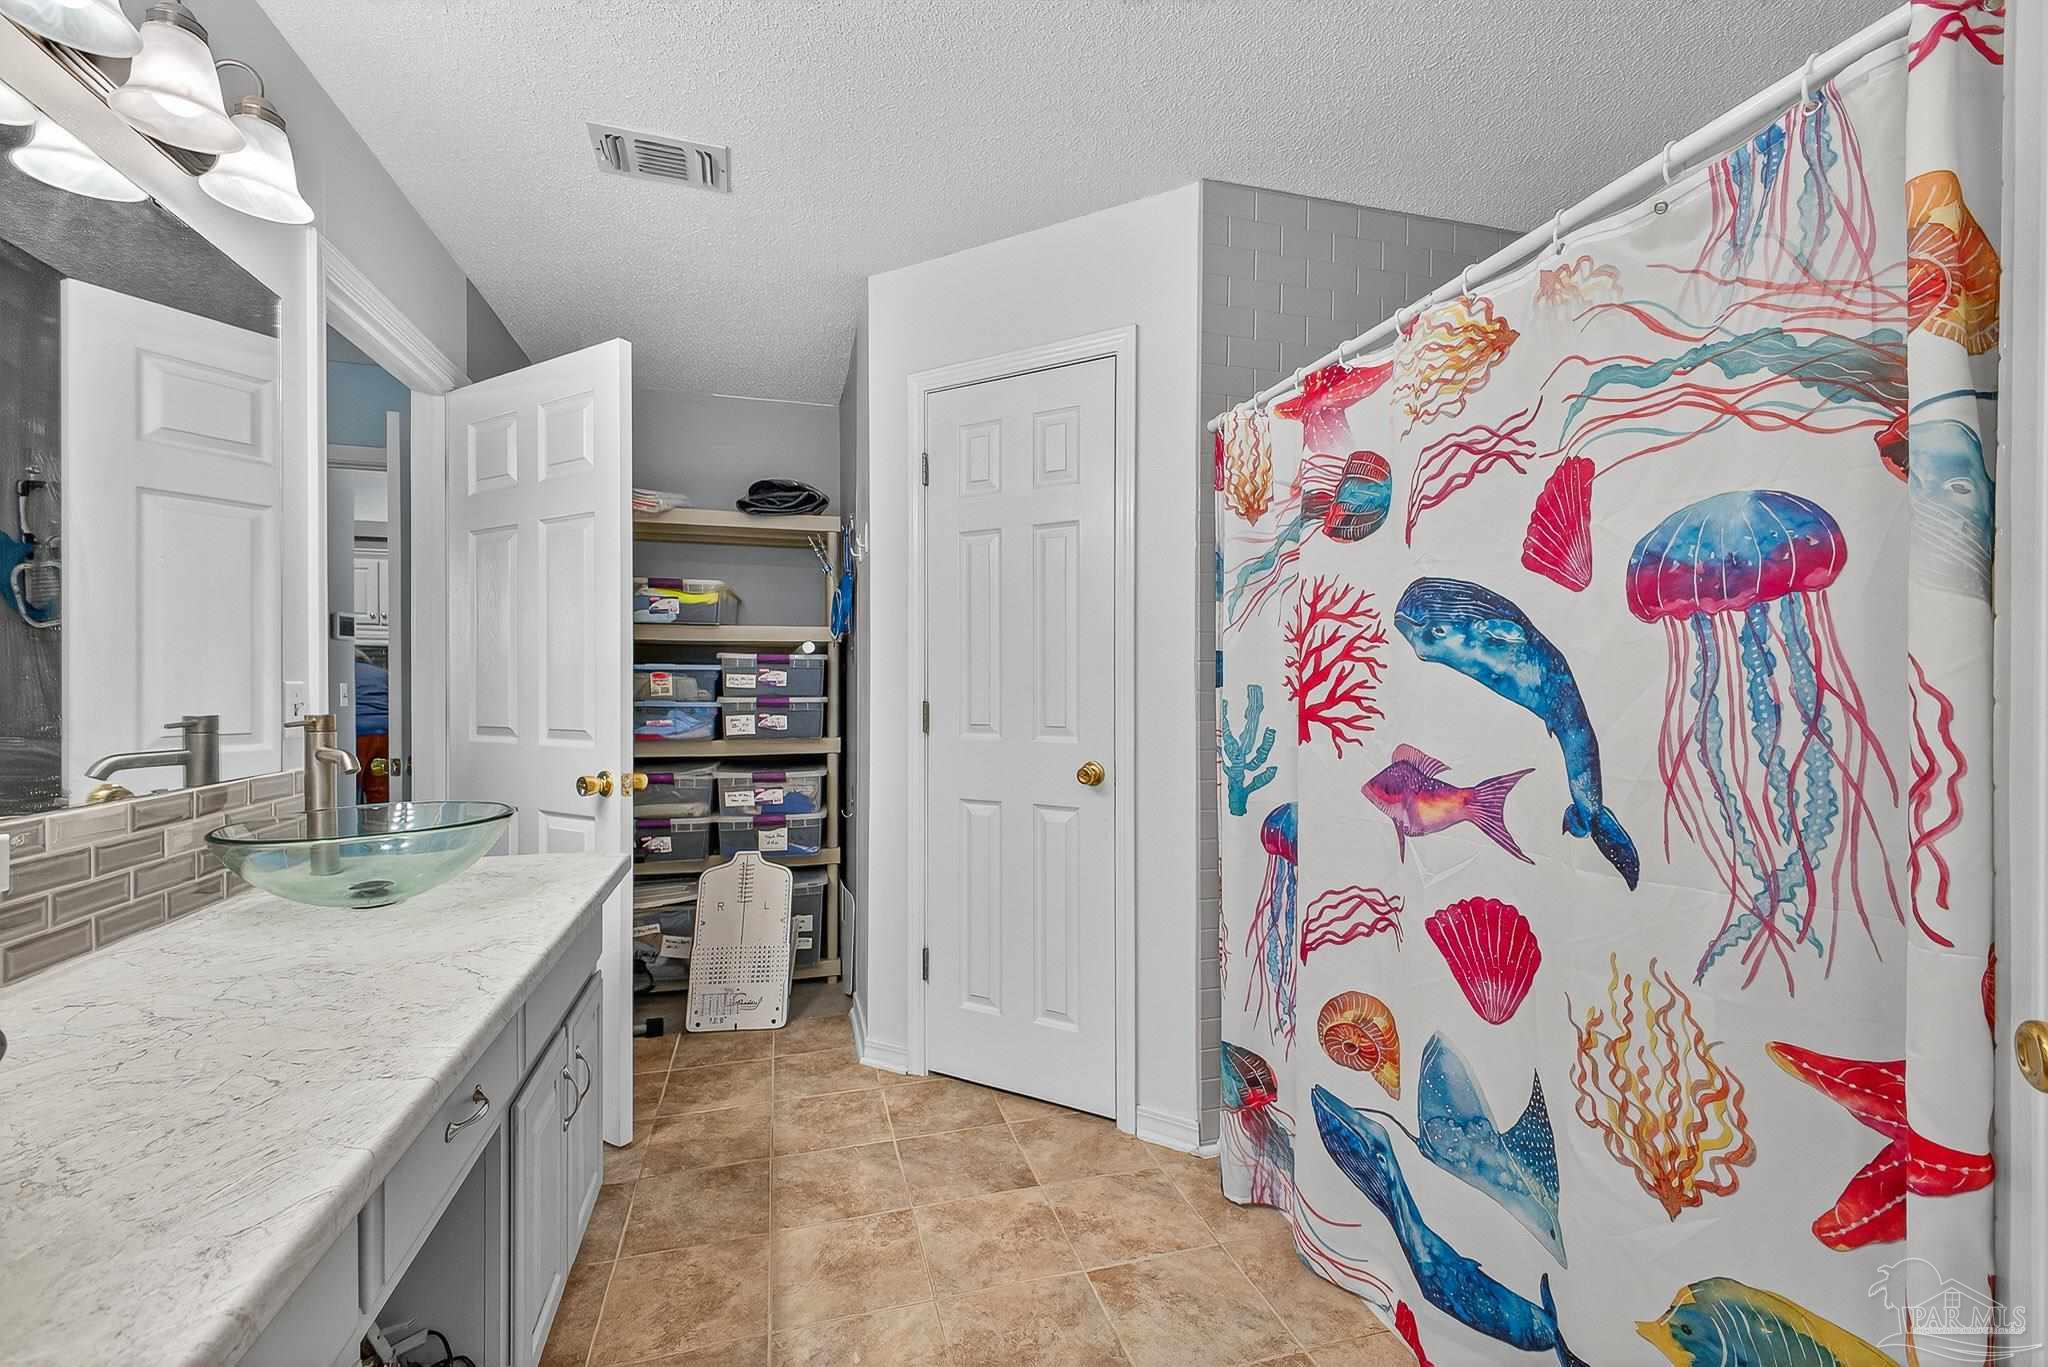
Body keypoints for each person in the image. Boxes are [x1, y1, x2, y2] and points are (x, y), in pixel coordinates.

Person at [355, 650, 389, 803]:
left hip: (358, 735)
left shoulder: (345, 672)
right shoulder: (383, 674)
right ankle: (380, 821)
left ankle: (354, 822)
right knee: (379, 785)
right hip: (385, 736)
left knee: (354, 784)